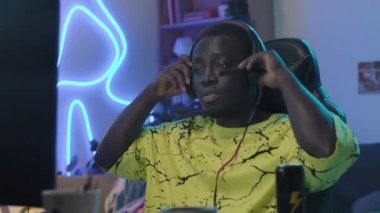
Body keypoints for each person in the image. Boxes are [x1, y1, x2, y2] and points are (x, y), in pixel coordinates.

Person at [95, 20, 359, 212]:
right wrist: (152, 93)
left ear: (253, 73)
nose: (207, 78)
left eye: (222, 66)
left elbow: (328, 151)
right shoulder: (171, 137)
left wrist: (284, 79)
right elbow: (107, 158)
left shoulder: (292, 134)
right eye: (198, 69)